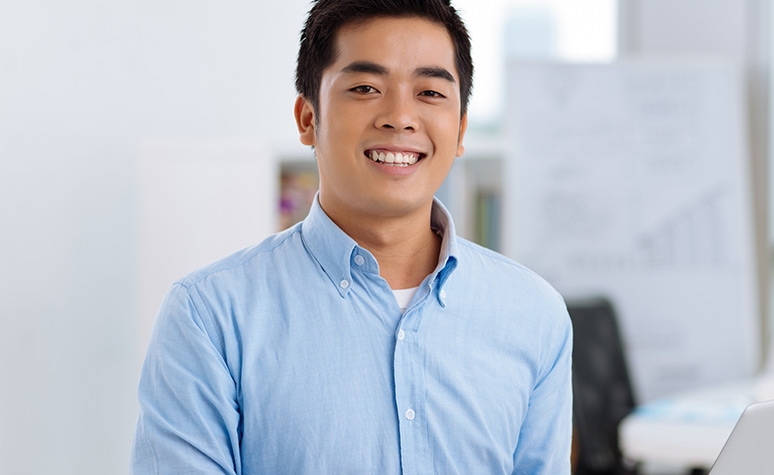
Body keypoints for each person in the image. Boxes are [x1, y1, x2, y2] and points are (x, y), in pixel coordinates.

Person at [130, 1, 573, 473]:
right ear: (308, 119)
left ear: (461, 128)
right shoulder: (210, 316)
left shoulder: (533, 315)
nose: (400, 117)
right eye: (365, 87)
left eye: (429, 92)